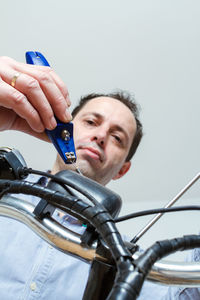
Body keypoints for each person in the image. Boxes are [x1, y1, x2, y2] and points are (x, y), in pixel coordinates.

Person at [0, 56, 199, 299]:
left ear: (122, 170)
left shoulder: (129, 262)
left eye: (117, 138)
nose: (101, 135)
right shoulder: (6, 191)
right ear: (64, 129)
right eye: (91, 122)